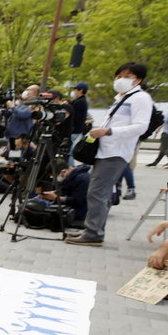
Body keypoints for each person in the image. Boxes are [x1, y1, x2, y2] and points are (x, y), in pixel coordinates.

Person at [65, 62, 154, 247]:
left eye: (127, 76)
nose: (121, 79)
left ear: (138, 79)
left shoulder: (140, 98)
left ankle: (93, 233)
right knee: (99, 193)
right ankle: (93, 230)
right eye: (119, 75)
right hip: (105, 151)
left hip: (116, 152)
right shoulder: (121, 98)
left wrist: (109, 131)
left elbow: (141, 126)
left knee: (97, 193)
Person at [37, 159, 90, 227]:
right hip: (71, 210)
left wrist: (56, 198)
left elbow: (78, 201)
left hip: (79, 215)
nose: (55, 179)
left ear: (63, 171)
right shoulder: (70, 177)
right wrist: (53, 193)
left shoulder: (82, 178)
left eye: (55, 176)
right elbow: (66, 191)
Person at [68, 82, 90, 158]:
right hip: (77, 130)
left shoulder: (80, 102)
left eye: (75, 89)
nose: (74, 91)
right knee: (69, 151)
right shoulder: (80, 101)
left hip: (75, 131)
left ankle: (71, 168)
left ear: (81, 90)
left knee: (69, 152)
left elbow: (74, 117)